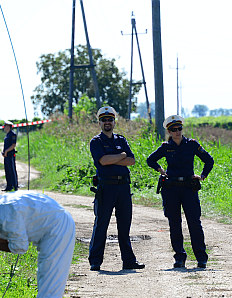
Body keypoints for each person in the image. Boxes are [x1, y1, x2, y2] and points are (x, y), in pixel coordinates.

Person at [147, 115, 214, 269]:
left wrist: (203, 175)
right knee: (174, 223)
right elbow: (150, 159)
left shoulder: (191, 144)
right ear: (169, 131)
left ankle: (201, 258)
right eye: (173, 129)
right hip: (171, 189)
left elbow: (209, 160)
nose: (177, 132)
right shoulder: (165, 146)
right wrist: (160, 170)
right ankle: (179, 257)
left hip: (189, 188)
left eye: (179, 129)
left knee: (194, 223)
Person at [88, 106, 144, 271]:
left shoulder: (121, 139)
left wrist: (112, 159)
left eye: (110, 119)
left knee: (124, 225)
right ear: (99, 122)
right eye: (104, 120)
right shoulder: (96, 142)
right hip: (106, 187)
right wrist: (120, 157)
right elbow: (103, 161)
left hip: (123, 187)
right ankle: (95, 261)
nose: (107, 122)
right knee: (101, 224)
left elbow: (132, 161)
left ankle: (128, 261)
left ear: (114, 122)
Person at [2, 121, 18, 191]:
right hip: (6, 155)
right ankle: (9, 186)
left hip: (10, 155)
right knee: (7, 171)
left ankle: (15, 186)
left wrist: (6, 151)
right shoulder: (7, 135)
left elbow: (13, 145)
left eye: (5, 126)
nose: (4, 127)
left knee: (12, 170)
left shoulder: (13, 134)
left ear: (8, 126)